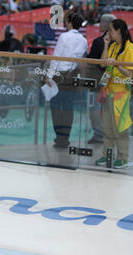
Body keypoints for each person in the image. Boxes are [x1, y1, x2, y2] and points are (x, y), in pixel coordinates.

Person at [44, 13, 87, 149]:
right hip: (73, 76)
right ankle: (65, 138)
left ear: (69, 22)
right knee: (69, 107)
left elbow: (56, 57)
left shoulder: (64, 37)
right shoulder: (84, 40)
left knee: (56, 107)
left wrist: (49, 76)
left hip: (60, 76)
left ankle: (59, 137)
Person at [95, 19, 133, 169]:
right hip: (108, 91)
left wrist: (117, 64)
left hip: (121, 93)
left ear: (118, 31)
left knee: (121, 127)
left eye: (110, 30)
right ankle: (107, 154)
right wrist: (105, 44)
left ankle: (123, 157)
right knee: (107, 126)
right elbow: (102, 63)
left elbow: (130, 74)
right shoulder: (112, 46)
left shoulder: (130, 49)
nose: (108, 33)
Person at [85, 13, 116, 144]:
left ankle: (99, 134)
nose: (99, 25)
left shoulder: (99, 42)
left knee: (95, 107)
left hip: (100, 80)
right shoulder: (120, 42)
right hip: (111, 81)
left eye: (101, 22)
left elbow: (93, 62)